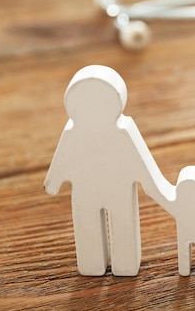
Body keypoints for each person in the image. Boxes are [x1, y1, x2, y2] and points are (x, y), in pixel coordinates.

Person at [44, 65, 174, 276]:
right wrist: (54, 181)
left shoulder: (123, 132)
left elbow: (139, 161)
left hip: (117, 192)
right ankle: (93, 264)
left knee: (122, 225)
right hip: (87, 193)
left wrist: (153, 185)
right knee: (88, 227)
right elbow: (62, 159)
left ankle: (124, 264)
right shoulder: (73, 132)